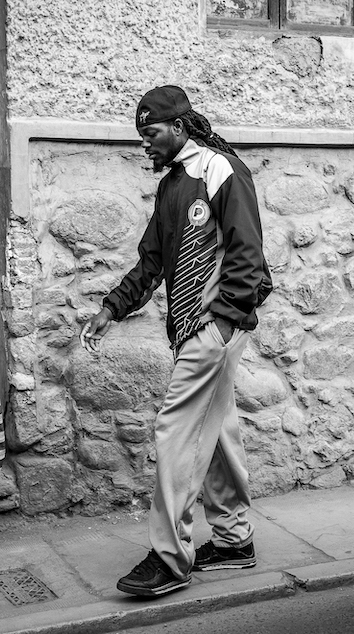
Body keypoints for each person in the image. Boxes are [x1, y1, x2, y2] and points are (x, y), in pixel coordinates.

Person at [80, 85, 272, 597]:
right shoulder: (173, 185)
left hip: (211, 329)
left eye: (151, 133)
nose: (144, 143)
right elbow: (152, 260)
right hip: (196, 331)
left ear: (179, 128)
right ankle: (233, 540)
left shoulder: (219, 170)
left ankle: (169, 557)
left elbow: (247, 254)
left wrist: (224, 321)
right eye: (140, 135)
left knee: (176, 434)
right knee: (218, 434)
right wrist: (111, 308)